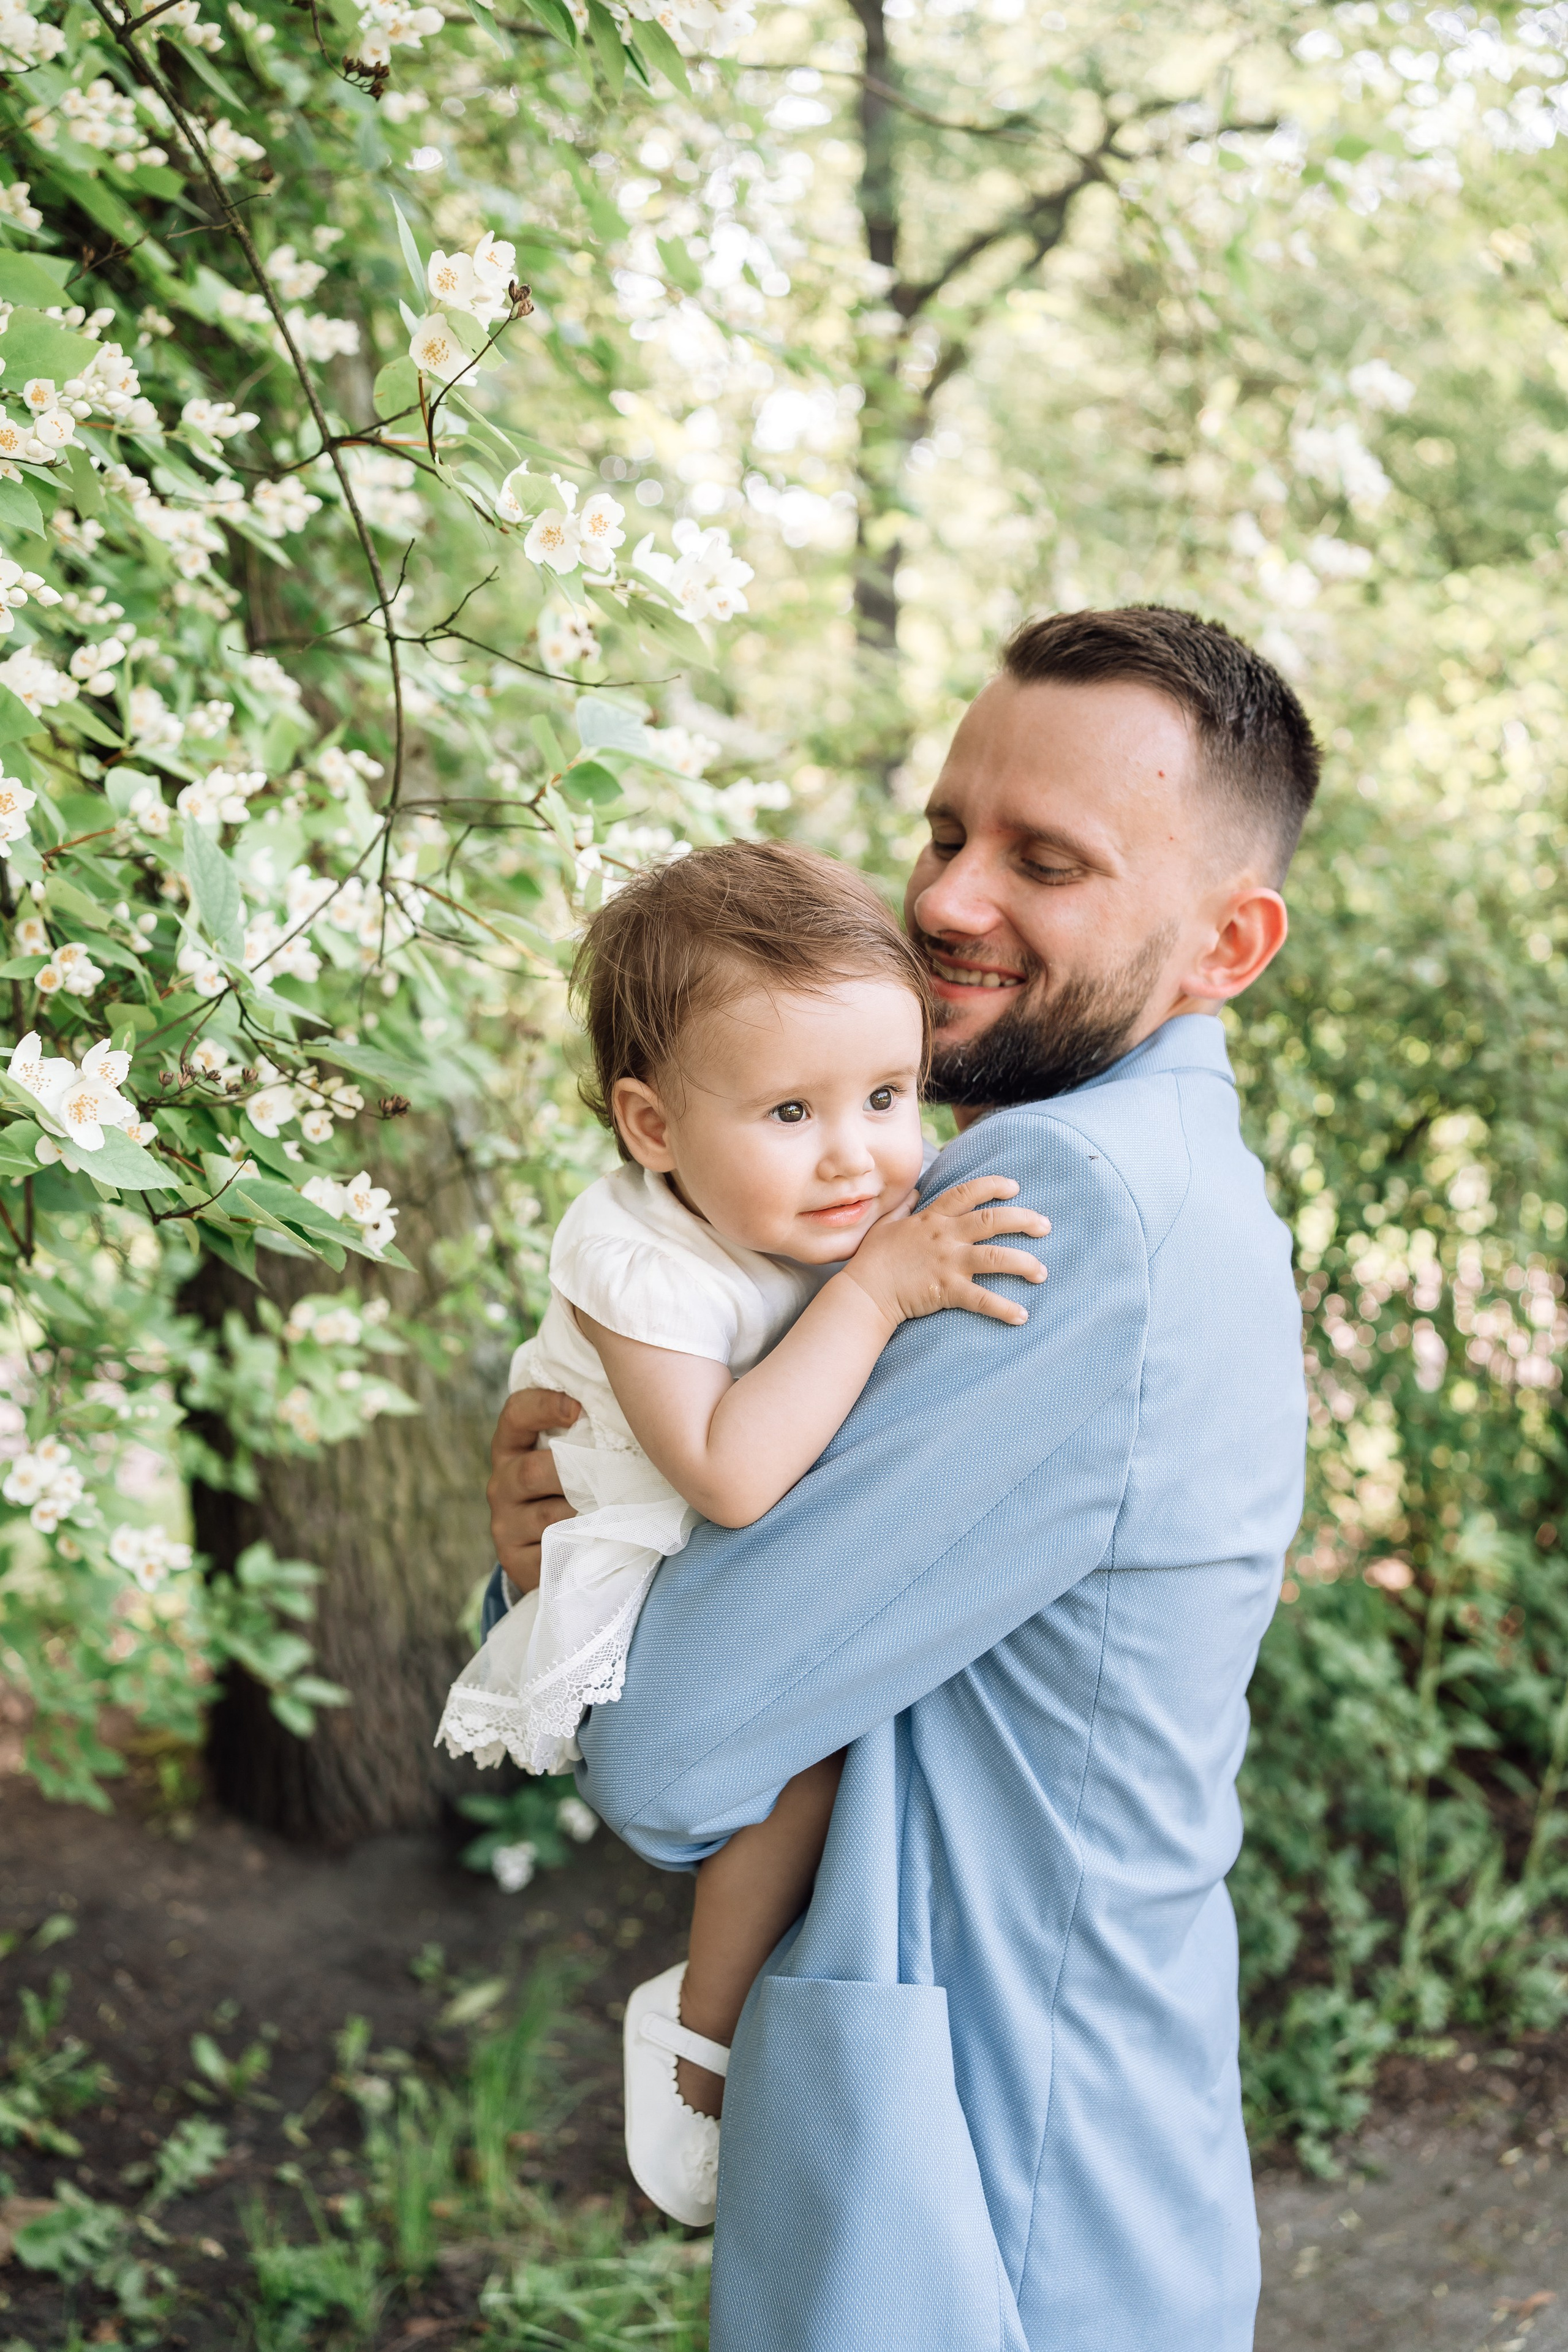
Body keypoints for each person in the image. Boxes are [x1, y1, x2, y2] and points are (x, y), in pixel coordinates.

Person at [489, 606, 1314, 2351]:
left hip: (995, 2211)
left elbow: (669, 1749)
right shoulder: (1148, 1172)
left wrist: (571, 1572)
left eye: (1049, 861)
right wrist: (565, 1539)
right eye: (946, 831)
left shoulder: (1052, 1205)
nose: (944, 901)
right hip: (1052, 2162)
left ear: (1225, 943)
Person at [436, 841, 1049, 2225]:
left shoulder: (830, 1193)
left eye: (888, 1095)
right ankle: (701, 2032)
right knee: (801, 1769)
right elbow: (722, 1475)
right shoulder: (634, 1262)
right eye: (789, 1111)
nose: (860, 1156)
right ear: (652, 1130)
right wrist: (878, 1295)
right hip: (632, 1567)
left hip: (719, 1552)